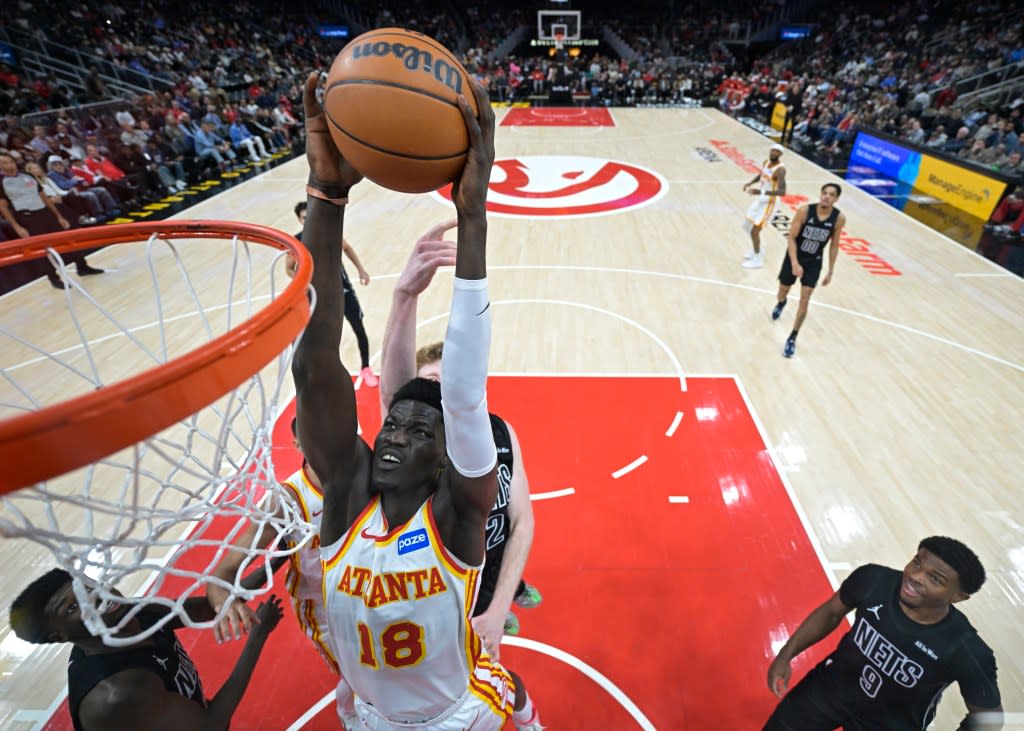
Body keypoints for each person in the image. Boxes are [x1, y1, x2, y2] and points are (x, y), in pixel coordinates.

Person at [293, 72, 542, 730]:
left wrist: (473, 215)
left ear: (447, 460)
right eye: (393, 421)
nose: (396, 431)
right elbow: (316, 367)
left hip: (457, 715)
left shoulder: (458, 515)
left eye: (417, 430)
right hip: (368, 713)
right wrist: (326, 193)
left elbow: (462, 394)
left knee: (509, 686)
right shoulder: (346, 495)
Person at [378, 224, 543, 644]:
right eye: (428, 383)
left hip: (487, 580)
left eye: (446, 381)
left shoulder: (501, 431)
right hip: (434, 593)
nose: (439, 390)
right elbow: (395, 393)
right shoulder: (413, 450)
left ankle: (512, 594)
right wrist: (404, 297)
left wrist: (499, 605)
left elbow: (521, 521)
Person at [207, 418, 360, 729]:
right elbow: (221, 573)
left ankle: (354, 705)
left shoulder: (362, 471)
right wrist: (225, 601)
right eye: (312, 438)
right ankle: (351, 715)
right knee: (361, 672)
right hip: (324, 607)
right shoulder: (286, 499)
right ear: (298, 446)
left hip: (366, 588)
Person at [763, 537, 1003, 730]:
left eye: (935, 579)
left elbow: (989, 719)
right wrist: (786, 653)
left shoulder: (965, 649)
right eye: (917, 562)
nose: (915, 576)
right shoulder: (873, 580)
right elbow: (830, 613)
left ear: (958, 597)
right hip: (830, 689)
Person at [9, 568, 284, 731]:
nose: (93, 598)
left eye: (86, 586)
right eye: (71, 607)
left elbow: (207, 607)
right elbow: (210, 724)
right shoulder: (119, 692)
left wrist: (277, 558)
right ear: (61, 635)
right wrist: (258, 636)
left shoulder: (131, 611)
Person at [289, 201, 378, 386]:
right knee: (322, 334)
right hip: (317, 295)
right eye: (304, 218)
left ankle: (366, 367)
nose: (308, 220)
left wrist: (361, 270)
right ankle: (324, 371)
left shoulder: (330, 234)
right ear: (299, 220)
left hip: (342, 289)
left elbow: (346, 248)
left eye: (310, 217)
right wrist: (301, 280)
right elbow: (289, 268)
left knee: (358, 326)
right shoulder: (296, 242)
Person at [0, 153, 103, 288]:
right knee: (42, 250)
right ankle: (53, 278)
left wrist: (58, 216)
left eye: (10, 162)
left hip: (44, 211)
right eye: (4, 163)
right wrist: (17, 227)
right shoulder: (2, 183)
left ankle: (82, 266)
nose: (9, 165)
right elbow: (3, 207)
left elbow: (44, 196)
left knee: (66, 239)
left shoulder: (28, 176)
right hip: (27, 217)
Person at [771, 182, 845, 358]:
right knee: (783, 290)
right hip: (794, 256)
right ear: (820, 194)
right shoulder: (805, 211)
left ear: (836, 198)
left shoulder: (839, 218)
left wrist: (831, 270)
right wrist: (795, 264)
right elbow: (791, 238)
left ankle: (792, 337)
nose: (827, 196)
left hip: (814, 262)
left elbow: (834, 244)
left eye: (831, 194)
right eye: (824, 193)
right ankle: (782, 302)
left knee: (805, 300)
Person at [741, 143, 787, 269]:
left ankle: (757, 260)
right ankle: (758, 250)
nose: (774, 153)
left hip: (770, 202)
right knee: (747, 226)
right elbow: (761, 175)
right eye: (773, 150)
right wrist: (750, 182)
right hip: (761, 199)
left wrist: (760, 191)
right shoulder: (766, 162)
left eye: (777, 152)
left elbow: (782, 192)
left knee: (755, 231)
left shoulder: (780, 170)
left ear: (780, 154)